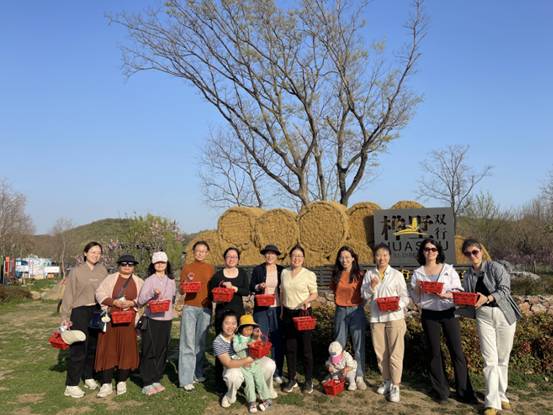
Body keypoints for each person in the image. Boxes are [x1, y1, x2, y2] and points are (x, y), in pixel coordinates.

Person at [411, 238, 476, 405]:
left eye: (433, 249)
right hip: (429, 314)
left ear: (438, 251)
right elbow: (416, 299)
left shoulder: (448, 269)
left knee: (457, 351)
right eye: (427, 249)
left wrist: (445, 295)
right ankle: (441, 391)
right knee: (434, 352)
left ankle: (464, 392)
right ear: (422, 252)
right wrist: (418, 287)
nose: (430, 252)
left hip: (448, 312)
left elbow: (458, 291)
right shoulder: (418, 273)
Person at [461, 238, 522, 415]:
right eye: (468, 253)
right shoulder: (468, 275)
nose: (472, 256)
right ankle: (491, 402)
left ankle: (502, 396)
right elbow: (468, 296)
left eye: (475, 252)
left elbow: (505, 290)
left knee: (503, 358)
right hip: (484, 316)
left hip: (504, 315)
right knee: (489, 359)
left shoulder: (495, 267)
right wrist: (454, 298)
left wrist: (487, 298)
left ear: (481, 251)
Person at [361, 243, 409, 403]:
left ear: (389, 257)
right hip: (377, 319)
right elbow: (364, 295)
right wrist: (371, 286)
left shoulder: (397, 275)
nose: (382, 258)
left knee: (396, 353)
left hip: (394, 318)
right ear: (374, 257)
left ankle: (395, 385)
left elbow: (405, 297)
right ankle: (386, 380)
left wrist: (397, 305)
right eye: (378, 255)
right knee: (381, 353)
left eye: (385, 255)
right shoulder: (369, 274)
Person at [60, 241, 108, 398]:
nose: (96, 255)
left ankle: (88, 376)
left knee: (94, 346)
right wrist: (65, 316)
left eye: (98, 252)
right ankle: (71, 385)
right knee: (79, 347)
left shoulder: (102, 270)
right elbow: (69, 294)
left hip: (97, 311)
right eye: (93, 252)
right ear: (85, 253)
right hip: (80, 311)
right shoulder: (76, 271)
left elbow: (107, 291)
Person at [94, 254, 144, 398]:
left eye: (130, 264)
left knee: (126, 349)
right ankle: (106, 383)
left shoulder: (139, 281)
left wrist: (132, 303)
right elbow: (99, 293)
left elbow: (143, 298)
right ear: (119, 265)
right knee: (108, 349)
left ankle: (122, 380)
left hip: (129, 321)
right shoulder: (110, 279)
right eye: (124, 264)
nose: (127, 267)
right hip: (111, 319)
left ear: (134, 266)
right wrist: (113, 302)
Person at [213, 310, 277, 409]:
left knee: (269, 365)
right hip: (235, 365)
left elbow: (258, 343)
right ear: (221, 324)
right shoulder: (218, 341)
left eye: (233, 323)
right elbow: (228, 363)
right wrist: (248, 359)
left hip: (251, 361)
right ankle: (231, 396)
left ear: (237, 325)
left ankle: (266, 393)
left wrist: (258, 337)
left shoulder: (244, 334)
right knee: (234, 376)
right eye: (227, 323)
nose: (230, 326)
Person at [208, 247, 250, 386]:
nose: (231, 259)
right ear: (224, 258)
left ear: (238, 260)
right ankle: (220, 381)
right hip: (222, 314)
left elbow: (246, 291)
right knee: (222, 346)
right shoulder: (218, 276)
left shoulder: (242, 273)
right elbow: (211, 295)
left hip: (238, 314)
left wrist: (233, 288)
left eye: (234, 257)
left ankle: (240, 377)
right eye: (229, 256)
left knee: (239, 345)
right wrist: (218, 295)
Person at [280, 244, 318, 394]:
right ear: (290, 257)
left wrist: (307, 301)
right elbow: (282, 292)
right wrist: (282, 311)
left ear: (303, 258)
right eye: (294, 256)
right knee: (290, 348)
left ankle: (308, 380)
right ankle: (292, 379)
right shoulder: (284, 272)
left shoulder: (309, 274)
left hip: (303, 313)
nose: (296, 258)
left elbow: (314, 293)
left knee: (306, 349)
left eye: (299, 256)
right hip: (288, 313)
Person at [137, 251, 176, 396]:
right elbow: (140, 301)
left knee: (162, 349)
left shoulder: (171, 280)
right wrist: (152, 294)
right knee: (149, 349)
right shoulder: (149, 280)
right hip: (152, 319)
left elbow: (173, 298)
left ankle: (156, 378)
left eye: (163, 262)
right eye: (157, 262)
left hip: (167, 319)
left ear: (167, 264)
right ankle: (147, 381)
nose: (160, 265)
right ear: (153, 265)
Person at [178, 240, 215, 391]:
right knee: (187, 342)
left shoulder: (210, 269)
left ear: (207, 253)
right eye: (198, 251)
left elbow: (213, 288)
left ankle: (197, 372)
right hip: (190, 308)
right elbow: (181, 290)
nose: (200, 253)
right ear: (193, 252)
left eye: (203, 251)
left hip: (205, 309)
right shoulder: (187, 268)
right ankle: (186, 379)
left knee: (200, 343)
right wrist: (186, 285)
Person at [330, 246, 367, 390]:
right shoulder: (336, 274)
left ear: (353, 258)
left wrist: (359, 306)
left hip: (356, 310)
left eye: (347, 257)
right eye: (341, 257)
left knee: (358, 344)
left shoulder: (360, 274)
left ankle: (359, 376)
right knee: (338, 344)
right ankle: (337, 374)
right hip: (340, 310)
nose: (344, 260)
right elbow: (334, 291)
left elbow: (365, 294)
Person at [249, 244, 285, 384]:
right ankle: (261, 370)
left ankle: (277, 372)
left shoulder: (281, 270)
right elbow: (252, 286)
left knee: (277, 340)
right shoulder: (258, 269)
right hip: (261, 309)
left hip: (277, 308)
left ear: (276, 256)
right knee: (260, 339)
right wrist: (259, 286)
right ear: (265, 255)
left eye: (273, 254)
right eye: (267, 253)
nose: (270, 256)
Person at [232, 314, 273, 413]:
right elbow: (236, 348)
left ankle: (266, 399)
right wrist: (246, 344)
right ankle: (252, 401)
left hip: (255, 363)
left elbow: (261, 343)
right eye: (246, 329)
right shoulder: (237, 338)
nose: (249, 331)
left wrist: (258, 336)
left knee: (260, 381)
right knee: (249, 383)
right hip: (244, 365)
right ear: (241, 329)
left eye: (251, 329)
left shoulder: (252, 337)